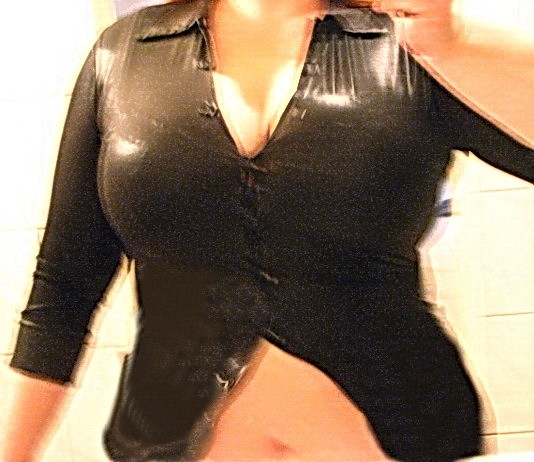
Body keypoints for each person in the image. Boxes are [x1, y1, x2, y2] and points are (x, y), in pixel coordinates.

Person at [3, 0, 533, 461]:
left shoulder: (408, 43)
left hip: (403, 436)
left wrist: (457, 44)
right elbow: (63, 289)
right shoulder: (121, 56)